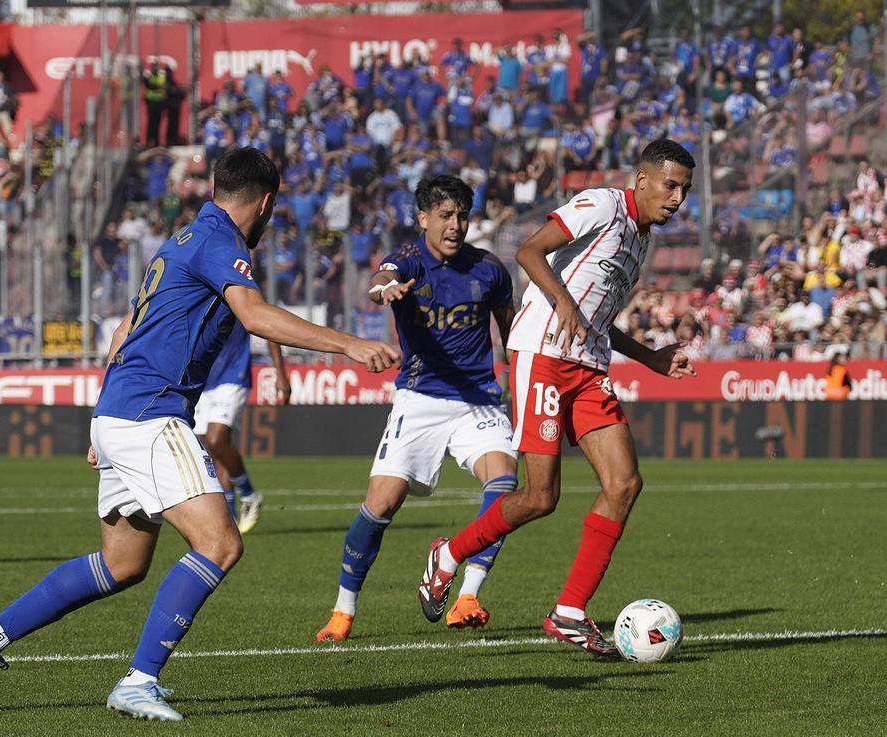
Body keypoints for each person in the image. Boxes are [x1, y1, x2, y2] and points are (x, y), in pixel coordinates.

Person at [0, 148, 400, 721]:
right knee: (220, 543)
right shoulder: (222, 245)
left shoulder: (181, 241)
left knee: (122, 564)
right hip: (151, 413)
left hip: (121, 411)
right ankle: (139, 681)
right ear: (266, 202)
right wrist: (349, 344)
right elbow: (256, 317)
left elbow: (125, 329)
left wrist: (103, 419)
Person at [415, 139, 697, 657]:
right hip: (542, 353)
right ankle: (448, 554)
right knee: (540, 497)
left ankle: (569, 611)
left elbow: (598, 318)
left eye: (685, 190)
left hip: (589, 367)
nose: (678, 198)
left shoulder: (640, 241)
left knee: (625, 483)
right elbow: (528, 249)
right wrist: (563, 301)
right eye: (671, 185)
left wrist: (651, 357)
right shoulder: (603, 204)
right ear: (642, 179)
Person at [315, 175, 517, 642]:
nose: (456, 225)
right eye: (445, 215)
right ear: (423, 218)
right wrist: (384, 290)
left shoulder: (489, 269)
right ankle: (344, 610)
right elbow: (380, 279)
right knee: (380, 503)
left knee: (504, 485)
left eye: (463, 215)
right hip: (420, 397)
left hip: (478, 401)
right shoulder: (407, 262)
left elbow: (512, 336)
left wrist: (519, 387)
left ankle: (468, 595)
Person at [192, 322, 289, 533]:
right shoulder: (195, 297)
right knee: (210, 452)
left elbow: (269, 328)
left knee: (217, 439)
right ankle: (230, 519)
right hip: (202, 379)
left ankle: (249, 494)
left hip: (233, 376)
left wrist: (280, 373)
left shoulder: (237, 291)